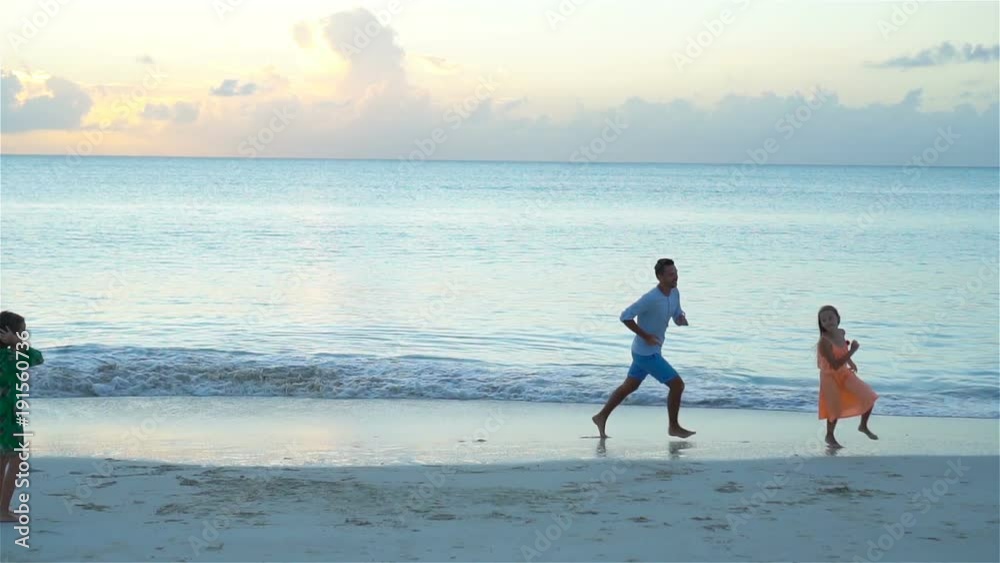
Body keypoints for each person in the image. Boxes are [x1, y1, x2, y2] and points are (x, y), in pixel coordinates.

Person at [592, 258, 694, 439]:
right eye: (671, 274)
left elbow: (677, 313)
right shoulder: (650, 298)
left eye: (676, 273)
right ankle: (673, 426)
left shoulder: (674, 292)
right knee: (677, 385)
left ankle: (601, 416)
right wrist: (645, 335)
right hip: (646, 353)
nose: (675, 277)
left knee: (628, 387)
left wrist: (680, 319)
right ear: (660, 277)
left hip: (645, 352)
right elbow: (625, 316)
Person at [0, 311, 44, 522]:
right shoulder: (11, 356)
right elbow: (37, 358)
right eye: (22, 333)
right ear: (8, 333)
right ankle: (3, 510)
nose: (24, 337)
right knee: (16, 459)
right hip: (8, 416)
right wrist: (16, 343)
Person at [816, 305, 878, 449]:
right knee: (834, 408)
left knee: (869, 396)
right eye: (824, 320)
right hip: (829, 376)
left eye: (831, 318)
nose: (828, 322)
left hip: (844, 372)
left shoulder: (841, 332)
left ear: (838, 318)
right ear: (821, 324)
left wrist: (851, 361)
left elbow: (841, 350)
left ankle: (863, 426)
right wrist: (853, 351)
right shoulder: (824, 342)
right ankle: (829, 436)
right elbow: (835, 365)